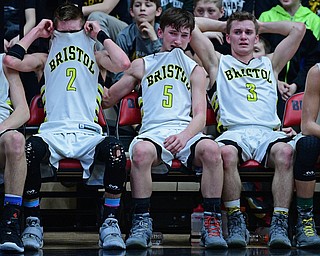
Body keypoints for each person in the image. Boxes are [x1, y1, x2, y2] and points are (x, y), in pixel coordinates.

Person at [4, 3, 130, 251]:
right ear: (55, 31)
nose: (70, 39)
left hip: (88, 132)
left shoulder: (97, 55)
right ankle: (32, 221)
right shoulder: (44, 57)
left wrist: (100, 35)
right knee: (29, 152)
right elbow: (10, 60)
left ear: (84, 28)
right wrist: (37, 30)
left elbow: (124, 63)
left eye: (75, 32)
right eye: (64, 33)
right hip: (52, 130)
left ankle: (110, 221)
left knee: (116, 151)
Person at [103, 7, 227, 249]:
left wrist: (184, 136)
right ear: (160, 33)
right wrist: (100, 54)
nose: (178, 41)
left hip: (186, 131)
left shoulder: (196, 69)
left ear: (190, 37)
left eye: (184, 35)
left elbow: (200, 116)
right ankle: (141, 220)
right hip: (152, 131)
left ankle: (212, 221)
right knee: (139, 153)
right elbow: (108, 99)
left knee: (213, 149)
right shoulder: (143, 64)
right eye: (172, 34)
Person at [192, 12, 305, 248]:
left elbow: (298, 28)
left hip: (268, 132)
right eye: (237, 32)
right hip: (234, 131)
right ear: (228, 37)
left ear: (257, 38)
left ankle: (280, 223)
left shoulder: (271, 63)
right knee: (226, 154)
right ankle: (235, 219)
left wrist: (259, 24)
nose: (243, 37)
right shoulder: (218, 62)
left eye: (248, 32)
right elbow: (190, 24)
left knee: (286, 153)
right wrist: (226, 24)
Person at [259, 0, 320, 119]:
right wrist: (275, 80)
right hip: (269, 84)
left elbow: (314, 59)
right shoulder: (266, 16)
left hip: (303, 86)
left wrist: (296, 84)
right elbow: (259, 54)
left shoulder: (315, 20)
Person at [0, 54, 30, 253]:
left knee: (17, 140)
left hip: (1, 132)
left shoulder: (5, 61)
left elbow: (23, 111)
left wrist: (1, 128)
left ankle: (11, 224)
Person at [291, 63, 320, 248]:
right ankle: (305, 220)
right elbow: (307, 125)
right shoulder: (317, 72)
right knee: (307, 145)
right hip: (318, 137)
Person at [112, 0, 162, 83]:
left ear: (158, 11)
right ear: (131, 11)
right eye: (138, 5)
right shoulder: (124, 36)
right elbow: (117, 73)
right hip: (131, 85)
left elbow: (167, 64)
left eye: (148, 5)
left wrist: (154, 39)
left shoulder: (163, 33)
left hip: (157, 82)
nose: (142, 8)